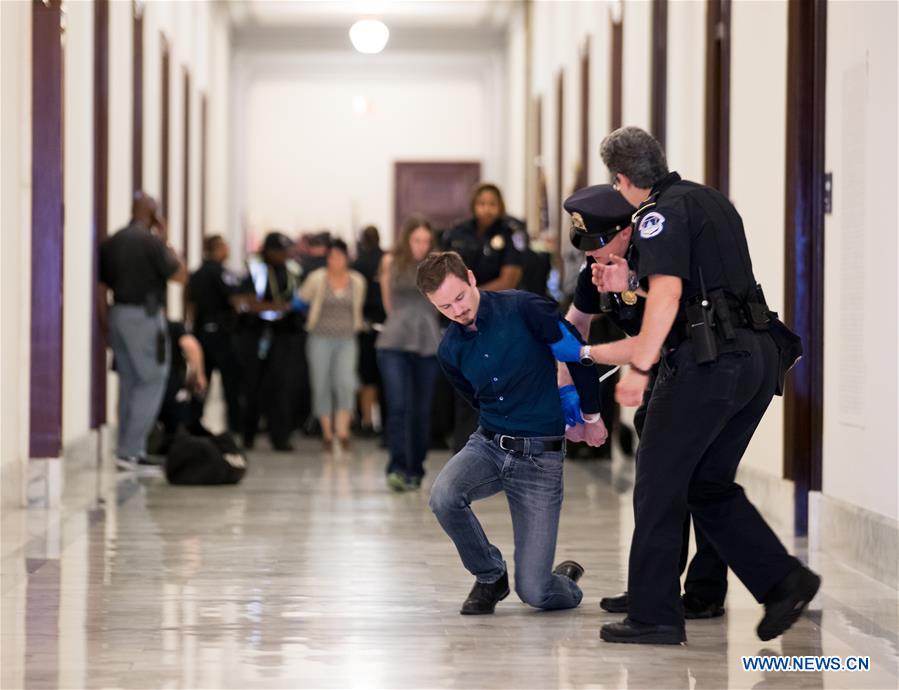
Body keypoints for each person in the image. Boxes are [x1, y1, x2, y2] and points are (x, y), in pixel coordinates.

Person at [582, 126, 818, 644]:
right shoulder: (709, 200)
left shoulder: (655, 215)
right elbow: (702, 283)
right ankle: (784, 581)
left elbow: (670, 296)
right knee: (705, 484)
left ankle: (654, 616)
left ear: (622, 180)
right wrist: (631, 283)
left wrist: (641, 367)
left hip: (708, 363)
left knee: (659, 483)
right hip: (755, 358)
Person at [561, 183, 731, 620]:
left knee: (703, 482)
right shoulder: (594, 271)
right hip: (662, 380)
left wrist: (587, 356)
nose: (591, 257)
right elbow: (573, 325)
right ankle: (654, 587)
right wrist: (564, 380)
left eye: (598, 246)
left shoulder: (658, 259)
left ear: (625, 231)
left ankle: (705, 591)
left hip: (703, 376)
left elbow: (650, 338)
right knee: (656, 486)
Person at [418, 251, 607, 615]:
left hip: (541, 458)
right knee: (444, 496)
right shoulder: (450, 350)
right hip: (489, 446)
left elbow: (577, 354)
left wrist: (589, 413)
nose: (457, 310)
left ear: (471, 278)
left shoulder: (524, 307)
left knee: (535, 593)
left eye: (459, 297)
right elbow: (475, 398)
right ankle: (490, 575)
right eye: (444, 307)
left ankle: (560, 581)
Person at [99, 192, 186, 469]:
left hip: (119, 315)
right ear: (153, 214)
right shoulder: (152, 242)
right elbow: (181, 275)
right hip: (145, 318)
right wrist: (166, 237)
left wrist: (105, 323)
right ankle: (131, 450)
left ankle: (125, 450)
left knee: (128, 382)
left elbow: (102, 288)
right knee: (152, 380)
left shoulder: (112, 242)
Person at [441, 183, 524, 452]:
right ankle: (464, 452)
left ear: (499, 206)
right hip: (462, 322)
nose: (486, 209)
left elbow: (510, 278)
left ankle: (498, 450)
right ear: (473, 206)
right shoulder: (457, 233)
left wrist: (469, 298)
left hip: (497, 319)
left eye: (492, 203)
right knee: (465, 387)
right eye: (481, 203)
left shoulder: (511, 231)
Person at [376, 217, 442, 492]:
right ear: (407, 240)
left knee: (421, 409)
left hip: (427, 340)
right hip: (394, 340)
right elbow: (387, 302)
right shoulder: (391, 262)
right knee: (398, 405)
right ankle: (397, 467)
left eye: (426, 241)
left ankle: (416, 467)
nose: (421, 246)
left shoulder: (438, 265)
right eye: (417, 240)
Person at [234, 232, 305, 451]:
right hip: (256, 335)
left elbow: (298, 298)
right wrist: (277, 308)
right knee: (252, 386)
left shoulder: (292, 271)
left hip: (284, 336)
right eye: (279, 251)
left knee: (282, 388)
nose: (284, 256)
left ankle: (280, 436)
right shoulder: (256, 271)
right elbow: (245, 301)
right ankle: (248, 435)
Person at [299, 239, 367, 451]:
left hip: (347, 338)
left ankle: (343, 430)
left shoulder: (357, 281)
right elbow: (301, 299)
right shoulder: (317, 279)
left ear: (347, 258)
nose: (335, 261)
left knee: (345, 382)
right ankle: (327, 433)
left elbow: (358, 307)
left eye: (340, 256)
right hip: (319, 337)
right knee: (321, 383)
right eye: (331, 257)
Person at [186, 235, 242, 434]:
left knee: (202, 378)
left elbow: (190, 305)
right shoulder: (220, 273)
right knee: (230, 381)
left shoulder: (196, 274)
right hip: (220, 333)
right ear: (217, 250)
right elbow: (234, 299)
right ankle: (234, 425)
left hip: (201, 332)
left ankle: (193, 421)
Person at [352, 225, 386, 436]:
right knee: (385, 379)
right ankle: (384, 423)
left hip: (366, 326)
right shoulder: (387, 259)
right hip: (388, 325)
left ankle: (367, 421)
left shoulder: (358, 263)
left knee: (367, 378)